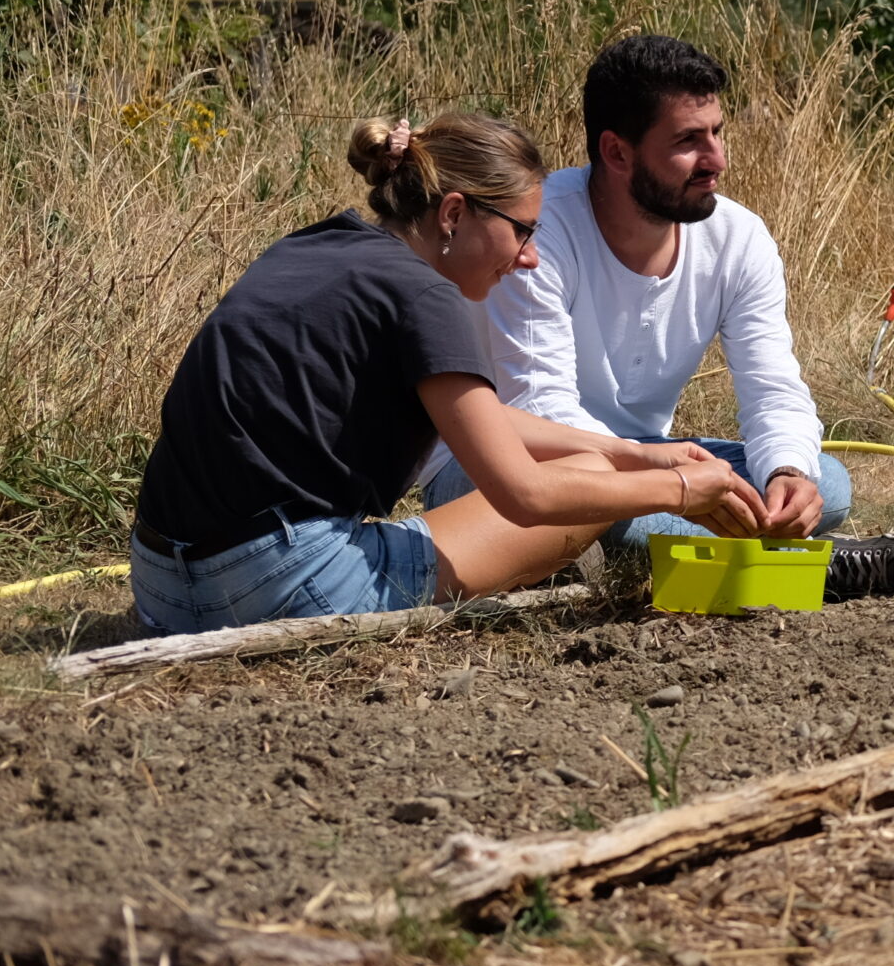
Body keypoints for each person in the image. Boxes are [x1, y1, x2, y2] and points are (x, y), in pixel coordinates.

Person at [128, 113, 769, 635]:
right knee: (587, 489)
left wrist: (632, 453)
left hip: (159, 579)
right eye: (522, 231)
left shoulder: (318, 246)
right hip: (270, 584)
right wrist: (685, 489)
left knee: (602, 465)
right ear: (455, 214)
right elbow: (528, 498)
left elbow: (479, 421)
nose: (530, 257)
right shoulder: (427, 296)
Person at [421, 35, 894, 599]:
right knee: (610, 509)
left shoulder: (740, 239)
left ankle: (606, 554)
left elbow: (773, 388)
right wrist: (672, 487)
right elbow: (537, 405)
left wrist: (787, 473)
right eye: (689, 141)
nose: (716, 159)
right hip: (502, 468)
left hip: (647, 455)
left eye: (717, 132)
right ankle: (810, 570)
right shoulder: (537, 231)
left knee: (825, 484)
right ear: (617, 153)